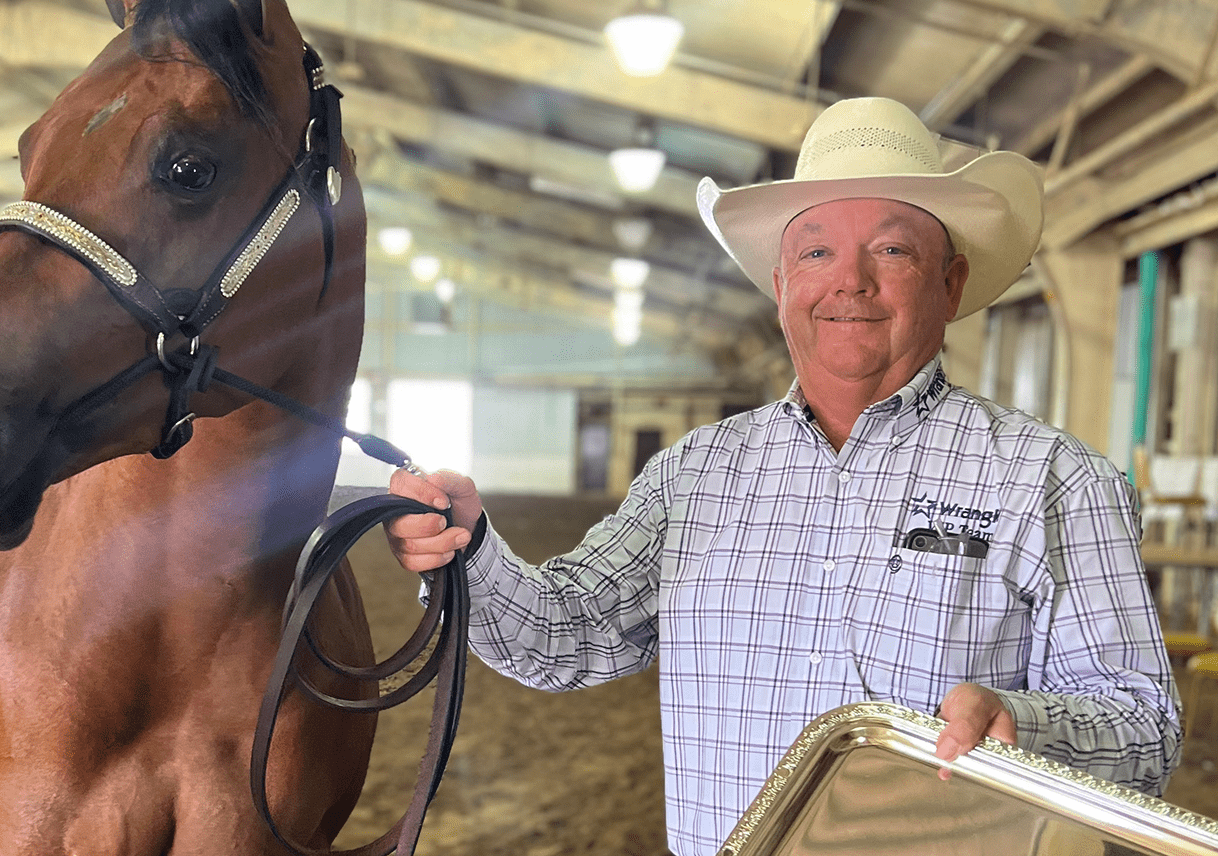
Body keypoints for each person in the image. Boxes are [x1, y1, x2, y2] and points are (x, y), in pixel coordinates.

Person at [384, 96, 1181, 856]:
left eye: (893, 249)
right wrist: (468, 548)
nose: (851, 281)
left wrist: (1018, 723)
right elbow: (564, 635)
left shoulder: (1052, 479)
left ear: (951, 284)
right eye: (816, 252)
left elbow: (1145, 730)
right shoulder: (694, 475)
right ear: (781, 288)